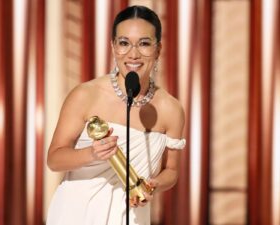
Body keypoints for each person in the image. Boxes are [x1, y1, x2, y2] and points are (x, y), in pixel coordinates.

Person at [46, 5, 186, 225]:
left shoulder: (171, 109)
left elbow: (172, 171)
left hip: (133, 215)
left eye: (144, 43)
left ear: (158, 49)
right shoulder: (85, 95)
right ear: (113, 47)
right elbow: (54, 159)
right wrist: (92, 154)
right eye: (124, 43)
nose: (133, 53)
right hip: (76, 214)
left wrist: (153, 185)